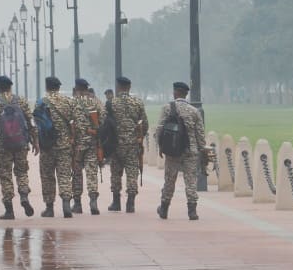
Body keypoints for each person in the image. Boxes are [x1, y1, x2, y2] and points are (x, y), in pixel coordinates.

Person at [0, 76, 39, 220]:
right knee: (22, 172)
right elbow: (31, 123)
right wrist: (35, 142)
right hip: (21, 144)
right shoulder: (21, 101)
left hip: (3, 146)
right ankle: (24, 196)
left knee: (5, 175)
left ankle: (9, 210)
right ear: (10, 87)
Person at [155, 82, 212, 220]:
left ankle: (164, 209)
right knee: (190, 181)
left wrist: (161, 146)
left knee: (169, 180)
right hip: (190, 151)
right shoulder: (194, 111)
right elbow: (200, 135)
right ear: (186, 94)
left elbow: (160, 129)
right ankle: (192, 211)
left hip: (172, 150)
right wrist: (202, 151)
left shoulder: (167, 108)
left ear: (175, 92)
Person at [38, 76, 77, 218]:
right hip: (64, 146)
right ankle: (66, 204)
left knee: (47, 176)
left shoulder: (41, 102)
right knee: (64, 175)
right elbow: (75, 123)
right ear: (59, 87)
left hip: (47, 146)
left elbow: (38, 124)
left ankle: (49, 208)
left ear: (47, 87)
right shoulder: (68, 101)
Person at [108, 76, 149, 213]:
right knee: (132, 172)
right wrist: (139, 137)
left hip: (116, 144)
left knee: (115, 173)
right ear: (129, 87)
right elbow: (144, 123)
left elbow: (105, 124)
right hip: (132, 144)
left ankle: (116, 201)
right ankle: (130, 202)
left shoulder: (111, 103)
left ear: (118, 87)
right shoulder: (137, 102)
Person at [71, 78, 105, 215]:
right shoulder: (96, 102)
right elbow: (102, 120)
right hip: (92, 142)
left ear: (77, 89)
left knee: (77, 173)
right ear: (86, 88)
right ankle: (93, 201)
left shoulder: (72, 102)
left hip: (77, 145)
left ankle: (77, 204)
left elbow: (69, 122)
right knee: (92, 173)